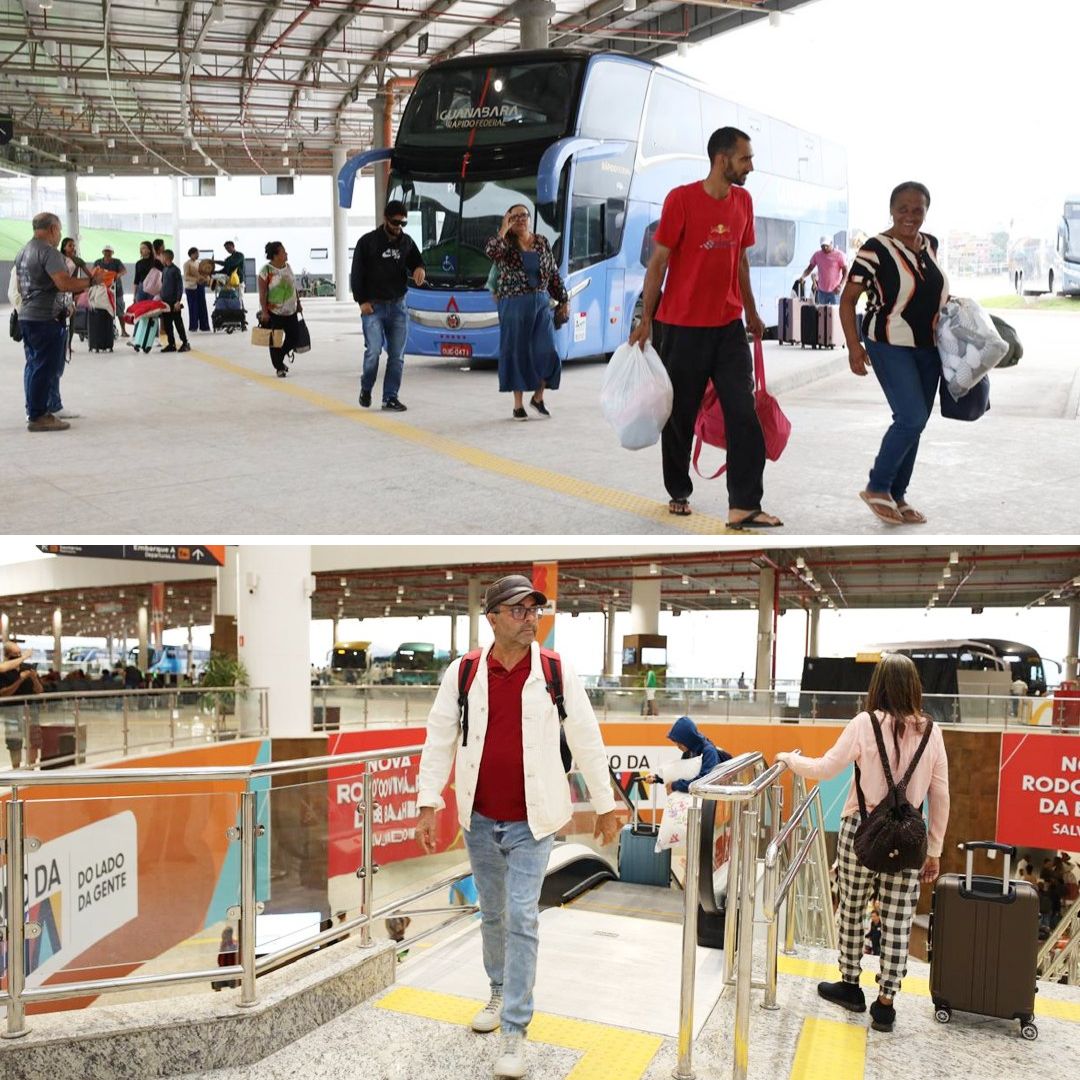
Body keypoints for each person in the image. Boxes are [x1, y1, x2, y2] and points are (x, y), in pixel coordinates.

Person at [415, 574, 620, 1080]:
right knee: (491, 912)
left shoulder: (553, 670)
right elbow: (440, 737)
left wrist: (606, 803)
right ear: (492, 618)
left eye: (535, 610)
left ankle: (514, 1031)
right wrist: (426, 801)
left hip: (536, 818)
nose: (531, 619)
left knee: (522, 916)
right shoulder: (463, 672)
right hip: (479, 816)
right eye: (519, 610)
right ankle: (498, 991)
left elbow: (587, 738)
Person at [776, 652, 949, 1034]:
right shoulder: (933, 732)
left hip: (861, 832)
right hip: (908, 839)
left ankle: (851, 986)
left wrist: (790, 759)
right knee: (898, 919)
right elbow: (941, 795)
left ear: (878, 686)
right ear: (914, 688)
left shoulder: (863, 724)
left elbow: (824, 768)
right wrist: (934, 850)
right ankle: (886, 1003)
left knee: (852, 909)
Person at [629, 126, 781, 528]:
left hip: (728, 327)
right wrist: (646, 320)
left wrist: (751, 312)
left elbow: (742, 263)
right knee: (680, 414)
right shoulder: (681, 200)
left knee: (743, 412)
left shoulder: (744, 201)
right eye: (745, 158)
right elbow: (659, 263)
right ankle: (678, 489)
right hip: (680, 327)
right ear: (721, 159)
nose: (751, 166)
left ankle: (744, 504)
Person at [839, 181, 949, 527]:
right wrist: (854, 347)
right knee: (911, 416)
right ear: (891, 209)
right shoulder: (875, 248)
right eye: (903, 208)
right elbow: (847, 300)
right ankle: (877, 486)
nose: (910, 216)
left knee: (915, 423)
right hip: (888, 343)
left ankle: (898, 496)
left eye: (918, 210)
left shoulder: (930, 244)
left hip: (928, 347)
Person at [14, 212, 101, 432]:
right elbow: (63, 283)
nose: (59, 234)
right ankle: (39, 415)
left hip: (28, 316)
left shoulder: (23, 251)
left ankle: (33, 408)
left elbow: (23, 286)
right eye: (59, 230)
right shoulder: (48, 252)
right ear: (52, 229)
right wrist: (91, 281)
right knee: (46, 367)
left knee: (34, 365)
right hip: (45, 318)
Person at [485, 205, 569, 421]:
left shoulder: (541, 241)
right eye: (515, 217)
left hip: (540, 302)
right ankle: (518, 405)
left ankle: (538, 397)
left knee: (549, 350)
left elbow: (552, 273)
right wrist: (503, 230)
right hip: (513, 304)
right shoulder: (505, 244)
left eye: (524, 215)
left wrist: (563, 298)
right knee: (517, 352)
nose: (520, 219)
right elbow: (491, 251)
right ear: (508, 221)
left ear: (530, 219)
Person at [350, 200, 426, 412]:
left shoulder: (406, 242)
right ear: (385, 219)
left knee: (397, 355)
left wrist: (420, 269)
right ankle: (366, 388)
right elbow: (356, 273)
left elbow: (417, 261)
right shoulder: (368, 242)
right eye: (395, 222)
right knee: (373, 352)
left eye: (403, 223)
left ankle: (390, 397)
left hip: (398, 307)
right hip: (373, 307)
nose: (398, 227)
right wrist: (362, 301)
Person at [258, 241, 302, 378]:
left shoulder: (288, 267)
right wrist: (264, 312)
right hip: (274, 313)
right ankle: (279, 367)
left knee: (294, 337)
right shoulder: (265, 271)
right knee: (275, 341)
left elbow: (293, 286)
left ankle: (280, 357)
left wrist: (298, 302)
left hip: (291, 311)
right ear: (275, 256)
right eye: (283, 252)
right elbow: (263, 293)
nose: (286, 253)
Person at [1, 642, 44, 768]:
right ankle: (16, 769)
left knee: (34, 740)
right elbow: (4, 694)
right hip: (12, 710)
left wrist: (34, 678)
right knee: (14, 741)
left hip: (31, 710)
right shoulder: (4, 671)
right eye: (16, 654)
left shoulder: (27, 668)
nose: (19, 656)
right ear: (7, 655)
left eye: (20, 653)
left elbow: (39, 691)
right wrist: (20, 679)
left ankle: (32, 767)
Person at [661, 715, 726, 792]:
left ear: (688, 740)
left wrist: (676, 785)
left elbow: (705, 781)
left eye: (680, 743)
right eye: (676, 743)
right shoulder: (689, 751)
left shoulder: (709, 752)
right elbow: (682, 775)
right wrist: (657, 779)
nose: (678, 747)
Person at [61, 236, 90, 362]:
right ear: (64, 247)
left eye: (74, 245)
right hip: (60, 290)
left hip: (72, 291)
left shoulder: (78, 260)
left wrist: (88, 285)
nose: (73, 247)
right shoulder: (58, 259)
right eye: (70, 245)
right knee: (61, 318)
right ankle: (62, 344)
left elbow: (89, 274)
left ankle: (68, 344)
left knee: (72, 317)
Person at [158, 250, 191, 353]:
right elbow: (163, 284)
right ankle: (171, 344)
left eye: (162, 257)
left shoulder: (175, 270)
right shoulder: (164, 269)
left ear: (166, 258)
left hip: (174, 302)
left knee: (178, 323)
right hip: (165, 302)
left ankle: (185, 343)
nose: (161, 259)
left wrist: (178, 301)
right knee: (167, 324)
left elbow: (179, 287)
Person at [798, 237, 847, 305]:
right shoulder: (817, 255)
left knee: (835, 313)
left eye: (827, 245)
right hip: (822, 291)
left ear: (831, 243)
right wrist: (802, 276)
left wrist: (841, 285)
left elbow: (846, 271)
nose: (825, 248)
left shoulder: (839, 255)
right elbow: (810, 268)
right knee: (822, 313)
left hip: (835, 291)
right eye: (823, 246)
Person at [93, 244, 128, 338]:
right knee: (104, 309)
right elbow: (93, 273)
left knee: (120, 310)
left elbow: (124, 271)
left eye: (109, 251)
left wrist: (117, 275)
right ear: (103, 252)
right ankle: (104, 330)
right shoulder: (98, 262)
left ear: (112, 253)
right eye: (106, 251)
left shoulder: (117, 262)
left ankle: (123, 330)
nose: (107, 253)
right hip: (102, 290)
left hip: (117, 289)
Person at [182, 246, 211, 332]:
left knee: (202, 306)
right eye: (196, 253)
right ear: (192, 254)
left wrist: (206, 278)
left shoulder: (198, 263)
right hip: (191, 287)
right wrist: (196, 280)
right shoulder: (187, 264)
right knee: (193, 307)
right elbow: (186, 276)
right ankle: (193, 326)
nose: (198, 255)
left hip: (200, 286)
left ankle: (204, 326)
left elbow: (202, 273)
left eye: (198, 253)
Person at [212, 926, 239, 990]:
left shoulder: (233, 945)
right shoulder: (224, 944)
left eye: (224, 934)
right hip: (224, 969)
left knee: (232, 982)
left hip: (232, 969)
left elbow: (231, 960)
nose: (223, 936)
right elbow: (220, 961)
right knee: (216, 980)